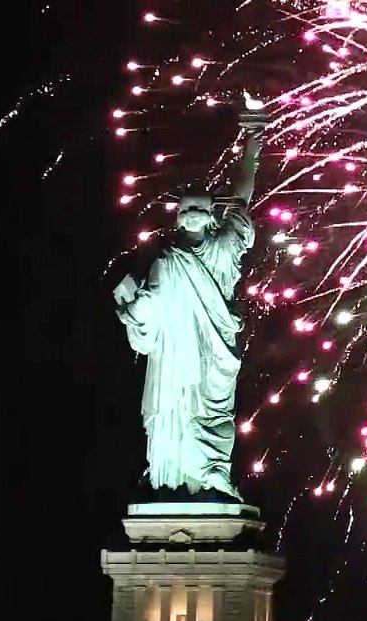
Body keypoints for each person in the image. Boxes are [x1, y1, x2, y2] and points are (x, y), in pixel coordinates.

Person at [113, 111, 264, 500]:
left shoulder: (166, 260)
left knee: (189, 416)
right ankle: (208, 477)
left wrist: (128, 305)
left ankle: (184, 479)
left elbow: (147, 313)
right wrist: (253, 136)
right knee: (216, 418)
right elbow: (242, 197)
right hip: (211, 362)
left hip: (179, 366)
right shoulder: (219, 247)